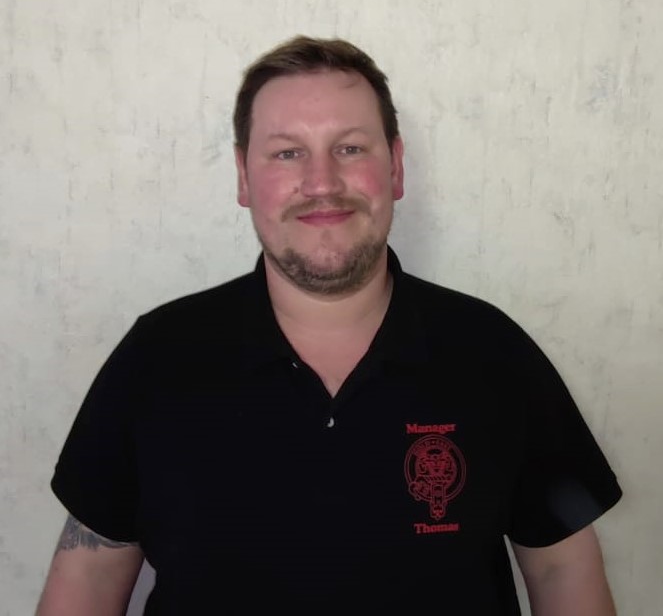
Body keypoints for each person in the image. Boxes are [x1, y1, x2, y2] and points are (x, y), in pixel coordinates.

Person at [36, 35, 622, 615]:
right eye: (287, 153)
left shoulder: (494, 353)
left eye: (350, 148)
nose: (321, 183)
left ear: (395, 168)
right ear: (243, 177)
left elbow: (562, 567)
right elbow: (90, 575)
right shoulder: (156, 358)